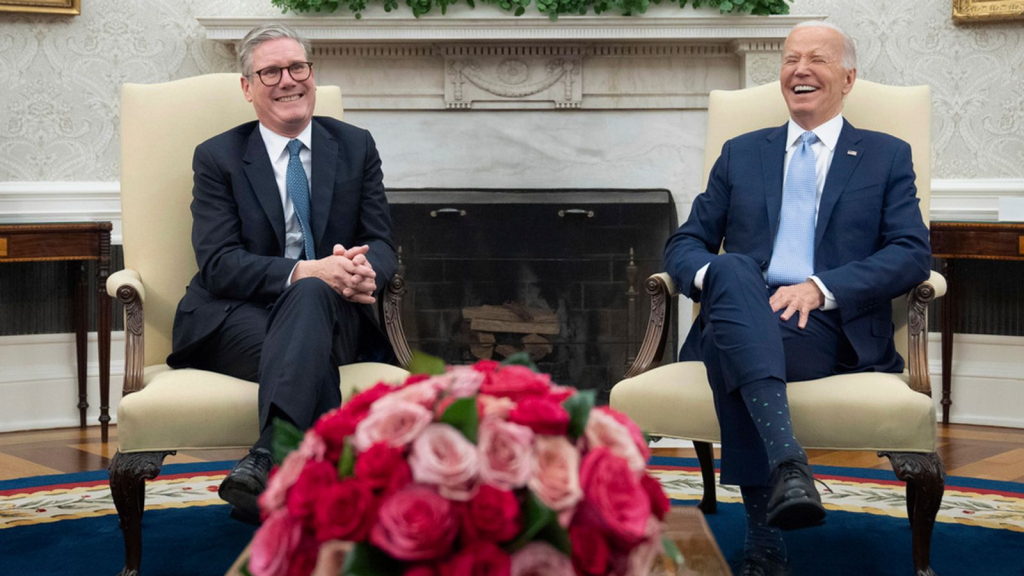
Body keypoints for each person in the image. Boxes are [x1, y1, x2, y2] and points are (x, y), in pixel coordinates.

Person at [664, 21, 931, 576]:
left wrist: (820, 288)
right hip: (741, 306)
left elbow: (910, 253)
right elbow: (686, 242)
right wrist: (712, 279)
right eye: (789, 59)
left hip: (827, 325)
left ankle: (764, 544)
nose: (799, 70)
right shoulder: (742, 154)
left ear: (848, 78)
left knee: (729, 345)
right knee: (733, 270)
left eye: (816, 60)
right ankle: (789, 465)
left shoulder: (885, 156)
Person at [166, 23, 398, 524]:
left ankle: (267, 460)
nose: (287, 79)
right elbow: (219, 262)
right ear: (247, 88)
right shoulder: (218, 158)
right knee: (311, 296)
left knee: (314, 296)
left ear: (312, 75)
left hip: (333, 317)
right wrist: (308, 270)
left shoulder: (355, 146)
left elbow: (381, 242)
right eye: (270, 71)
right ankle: (311, 493)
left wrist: (363, 272)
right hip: (232, 317)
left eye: (298, 67)